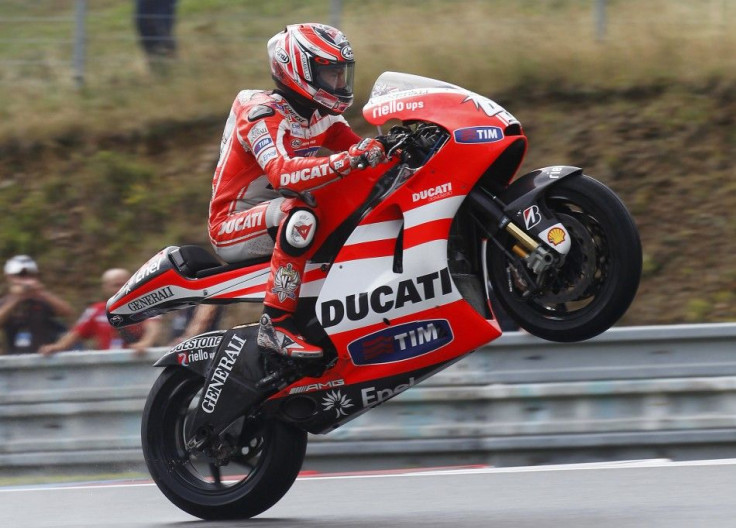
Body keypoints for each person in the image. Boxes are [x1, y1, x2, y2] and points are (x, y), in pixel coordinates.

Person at [208, 23, 386, 360]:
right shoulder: (262, 114)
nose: (339, 83)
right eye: (330, 74)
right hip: (232, 225)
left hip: (276, 211)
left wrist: (397, 148)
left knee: (353, 198)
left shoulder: (323, 115)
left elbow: (363, 153)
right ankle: (275, 325)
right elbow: (282, 173)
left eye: (341, 74)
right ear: (298, 71)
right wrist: (350, 159)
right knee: (300, 213)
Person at [39, 268, 162, 356]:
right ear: (105, 288)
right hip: (108, 367)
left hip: (136, 362)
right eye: (115, 285)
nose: (121, 288)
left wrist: (145, 343)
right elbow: (75, 333)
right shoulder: (95, 311)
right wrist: (58, 346)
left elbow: (153, 327)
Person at [0, 255, 74, 355]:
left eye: (29, 275)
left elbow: (67, 312)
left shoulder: (42, 299)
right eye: (20, 275)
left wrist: (41, 293)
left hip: (42, 356)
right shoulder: (6, 301)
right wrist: (17, 298)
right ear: (9, 277)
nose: (25, 279)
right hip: (15, 358)